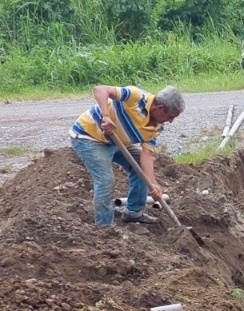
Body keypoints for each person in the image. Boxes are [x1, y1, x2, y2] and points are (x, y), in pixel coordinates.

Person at [71, 84, 186, 226]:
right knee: (106, 180)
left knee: (141, 169)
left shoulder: (156, 127)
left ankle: (133, 212)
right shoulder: (136, 97)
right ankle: (104, 227)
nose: (170, 121)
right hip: (88, 137)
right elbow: (100, 89)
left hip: (116, 141)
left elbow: (147, 155)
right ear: (160, 108)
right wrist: (106, 116)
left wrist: (153, 184)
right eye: (170, 116)